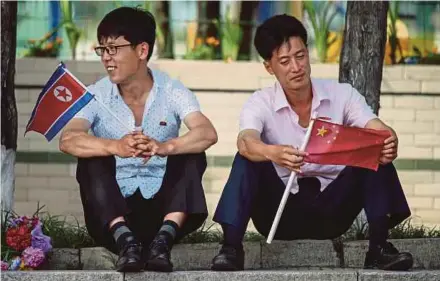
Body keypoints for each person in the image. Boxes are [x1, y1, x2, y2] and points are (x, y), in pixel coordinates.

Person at [210, 14, 413, 272]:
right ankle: (230, 249)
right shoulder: (260, 102)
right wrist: (271, 152)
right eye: (284, 61)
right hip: (279, 214)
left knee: (374, 154)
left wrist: (388, 139)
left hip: (332, 210)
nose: (296, 67)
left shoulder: (342, 95)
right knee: (247, 158)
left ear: (308, 54)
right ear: (269, 67)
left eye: (300, 56)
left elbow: (376, 127)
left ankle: (379, 249)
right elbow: (245, 141)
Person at [59, 7, 217, 273]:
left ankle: (163, 241)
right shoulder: (95, 95)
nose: (107, 59)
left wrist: (164, 147)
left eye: (114, 49)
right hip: (113, 215)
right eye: (103, 50)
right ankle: (126, 243)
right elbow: (68, 139)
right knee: (91, 157)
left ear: (142, 51)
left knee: (191, 152)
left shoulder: (172, 91)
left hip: (164, 212)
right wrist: (115, 146)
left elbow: (207, 133)